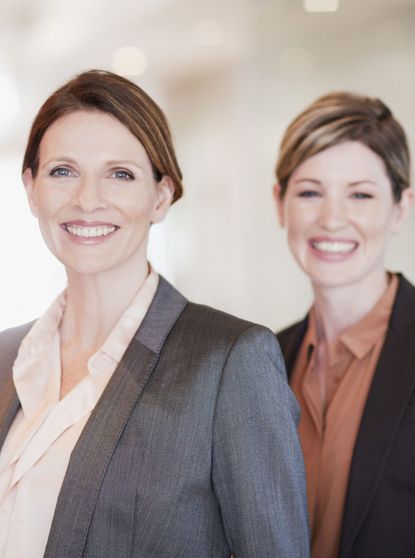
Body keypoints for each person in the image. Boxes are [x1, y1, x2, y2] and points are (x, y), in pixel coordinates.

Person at [0, 70, 309, 558]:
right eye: (63, 171)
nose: (87, 200)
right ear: (31, 188)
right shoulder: (7, 356)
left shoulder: (229, 361)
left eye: (119, 174)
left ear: (161, 196)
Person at [274, 91, 415, 558]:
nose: (332, 219)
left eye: (360, 195)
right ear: (281, 204)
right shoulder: (262, 360)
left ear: (400, 207)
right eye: (310, 193)